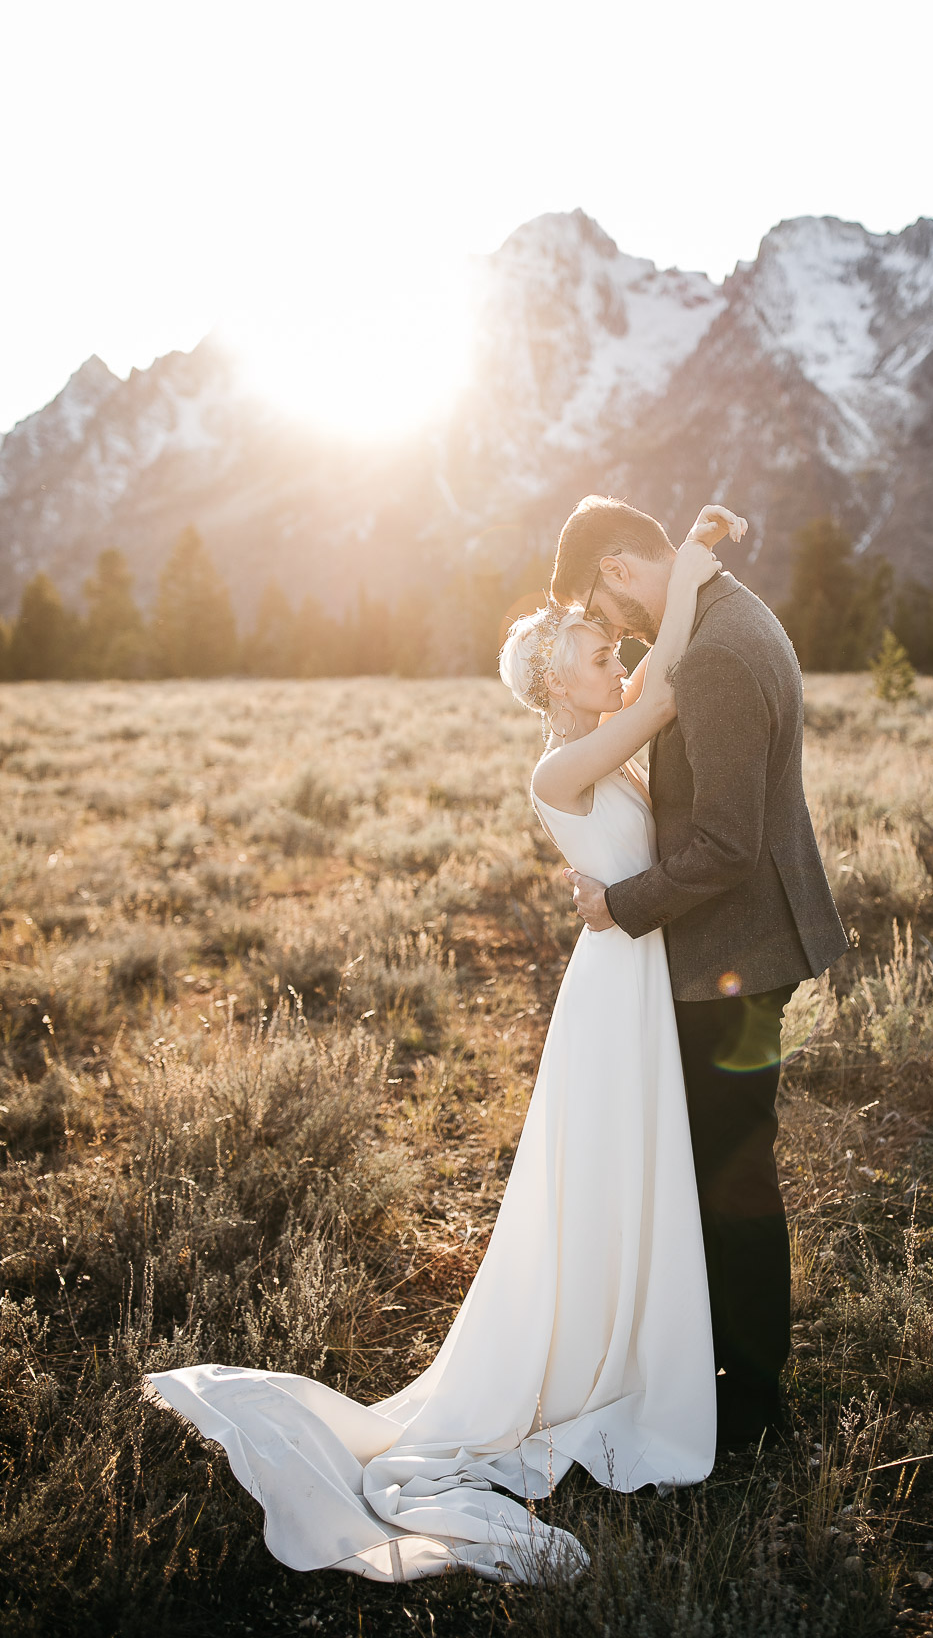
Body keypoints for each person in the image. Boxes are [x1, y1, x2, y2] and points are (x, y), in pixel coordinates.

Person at [143, 504, 742, 1586]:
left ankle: (629, 1343)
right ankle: (596, 1362)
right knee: (612, 1169)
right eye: (601, 654)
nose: (619, 663)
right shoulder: (558, 770)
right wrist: (692, 566)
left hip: (635, 972)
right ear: (555, 686)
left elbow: (650, 727)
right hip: (613, 993)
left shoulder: (599, 756)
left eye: (612, 651)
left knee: (634, 1171)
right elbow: (662, 696)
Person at [550, 495, 848, 1448]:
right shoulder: (732, 614)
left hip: (731, 955)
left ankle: (751, 1405)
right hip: (743, 944)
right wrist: (689, 557)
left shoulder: (716, 653)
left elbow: (721, 844)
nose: (621, 634)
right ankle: (711, 1368)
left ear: (620, 568)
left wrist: (621, 906)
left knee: (732, 1178)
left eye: (609, 609)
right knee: (720, 1168)